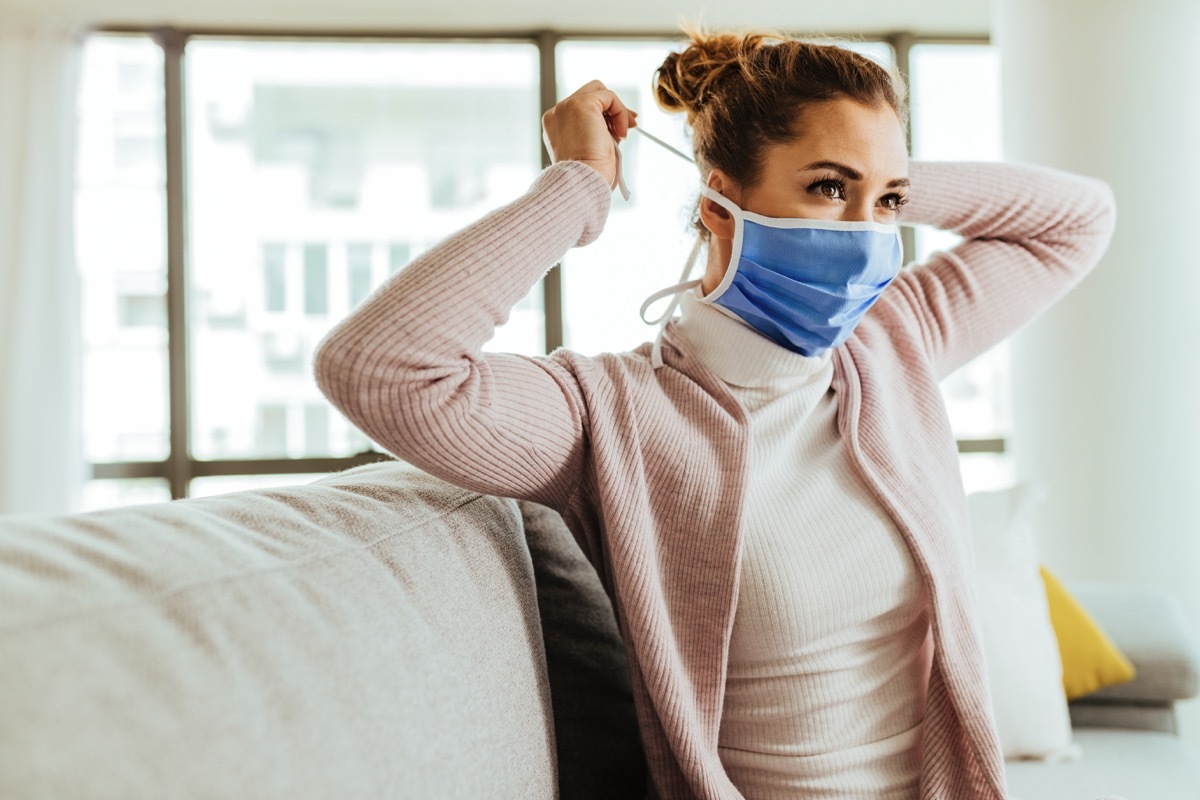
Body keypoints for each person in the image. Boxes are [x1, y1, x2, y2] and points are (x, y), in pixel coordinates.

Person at [314, 29, 1116, 800]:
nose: (869, 236)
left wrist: (880, 170)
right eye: (827, 188)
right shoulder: (609, 414)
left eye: (888, 205)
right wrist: (578, 186)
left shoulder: (891, 342)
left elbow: (1079, 219)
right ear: (717, 205)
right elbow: (379, 368)